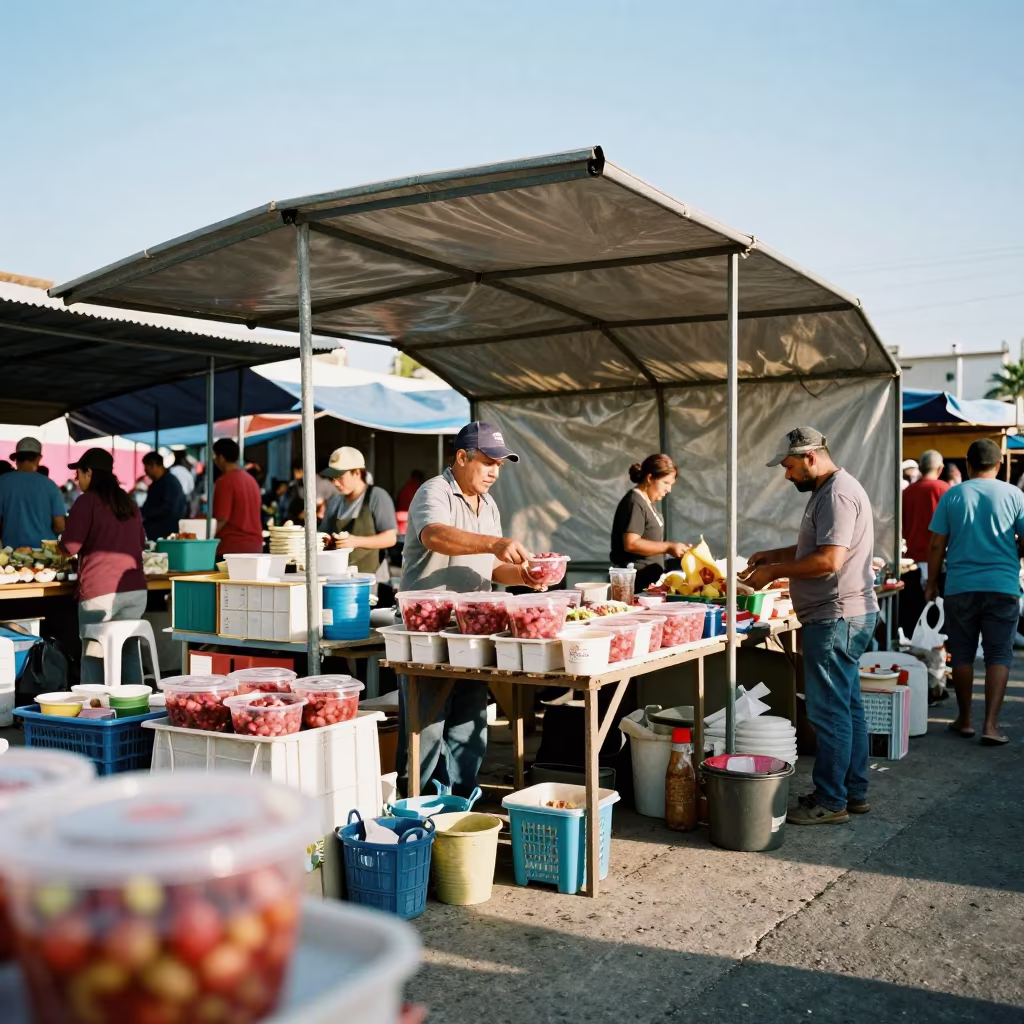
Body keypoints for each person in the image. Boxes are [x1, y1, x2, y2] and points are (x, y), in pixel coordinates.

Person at [396, 421, 545, 797]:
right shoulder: (435, 491)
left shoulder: (489, 504)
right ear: (461, 458)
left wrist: (523, 576)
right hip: (427, 631)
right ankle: (418, 804)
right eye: (487, 462)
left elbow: (492, 567)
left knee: (469, 724)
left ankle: (461, 801)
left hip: (471, 630)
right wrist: (494, 542)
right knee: (426, 727)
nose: (495, 471)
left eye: (500, 464)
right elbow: (434, 535)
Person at [746, 427, 879, 825]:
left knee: (829, 713)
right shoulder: (831, 490)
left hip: (835, 616)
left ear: (810, 458)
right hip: (845, 614)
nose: (786, 476)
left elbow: (829, 561)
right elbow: (815, 549)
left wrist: (773, 572)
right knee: (848, 708)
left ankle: (830, 800)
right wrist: (776, 554)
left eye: (789, 467)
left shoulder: (836, 493)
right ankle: (852, 793)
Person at [926, 438, 1024, 746]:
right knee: (999, 653)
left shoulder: (953, 495)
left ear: (968, 466)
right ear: (998, 466)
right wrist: (1015, 553)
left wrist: (931, 584)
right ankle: (991, 726)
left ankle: (965, 719)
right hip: (1003, 585)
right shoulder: (1014, 494)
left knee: (963, 653)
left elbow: (936, 544)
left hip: (960, 586)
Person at [60, 449, 147, 684]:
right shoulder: (128, 502)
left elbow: (70, 546)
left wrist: (60, 545)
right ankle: (134, 706)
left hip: (101, 594)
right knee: (128, 649)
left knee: (93, 653)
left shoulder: (86, 502)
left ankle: (93, 709)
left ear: (89, 472)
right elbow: (141, 542)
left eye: (79, 475)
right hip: (135, 591)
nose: (77, 481)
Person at [610, 454, 691, 591]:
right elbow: (631, 543)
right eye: (665, 483)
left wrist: (679, 548)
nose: (669, 489)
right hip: (635, 584)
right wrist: (668, 547)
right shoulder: (635, 502)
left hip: (649, 581)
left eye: (671, 485)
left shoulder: (648, 502)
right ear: (650, 478)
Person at [319, 447, 398, 576]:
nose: (335, 483)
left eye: (340, 477)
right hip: (339, 575)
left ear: (357, 473)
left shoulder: (377, 496)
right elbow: (323, 533)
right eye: (332, 478)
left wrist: (355, 541)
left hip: (372, 577)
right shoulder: (334, 501)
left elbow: (390, 538)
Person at [900, 450, 949, 639]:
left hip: (911, 564)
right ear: (940, 468)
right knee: (939, 623)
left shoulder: (906, 493)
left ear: (920, 468)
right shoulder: (945, 490)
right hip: (941, 563)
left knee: (914, 624)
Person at [0, 437, 66, 550]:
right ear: (38, 458)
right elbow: (60, 525)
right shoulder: (50, 485)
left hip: (10, 552)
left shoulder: (2, 482)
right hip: (43, 553)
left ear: (16, 458)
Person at [211, 438, 263, 555]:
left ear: (221, 458)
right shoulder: (251, 480)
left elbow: (221, 519)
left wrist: (205, 540)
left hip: (232, 548)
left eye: (215, 456)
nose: (214, 460)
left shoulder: (224, 481)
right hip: (255, 546)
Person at [140, 451, 188, 541]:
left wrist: (147, 513)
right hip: (155, 532)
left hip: (165, 534)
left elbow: (169, 509)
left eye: (146, 469)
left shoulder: (169, 482)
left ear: (153, 465)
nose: (146, 473)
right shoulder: (157, 483)